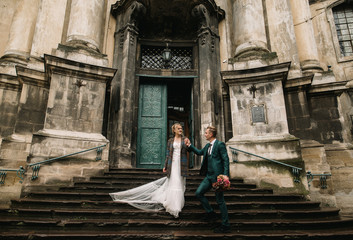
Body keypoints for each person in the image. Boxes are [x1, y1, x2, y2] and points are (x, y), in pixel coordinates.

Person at [109, 123, 188, 218]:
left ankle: (177, 204)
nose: (181, 129)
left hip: (181, 165)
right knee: (173, 182)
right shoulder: (170, 140)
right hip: (173, 164)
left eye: (181, 128)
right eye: (178, 128)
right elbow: (168, 154)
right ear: (174, 130)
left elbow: (189, 149)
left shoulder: (185, 140)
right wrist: (165, 165)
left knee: (179, 182)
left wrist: (189, 144)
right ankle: (173, 204)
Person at [185, 126, 231, 233]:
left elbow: (225, 160)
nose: (204, 134)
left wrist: (225, 175)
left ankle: (226, 225)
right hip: (208, 176)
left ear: (211, 134)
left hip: (218, 178)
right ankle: (211, 213)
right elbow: (200, 152)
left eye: (206, 133)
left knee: (220, 201)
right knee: (198, 193)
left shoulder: (220, 144)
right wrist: (190, 146)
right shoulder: (207, 146)